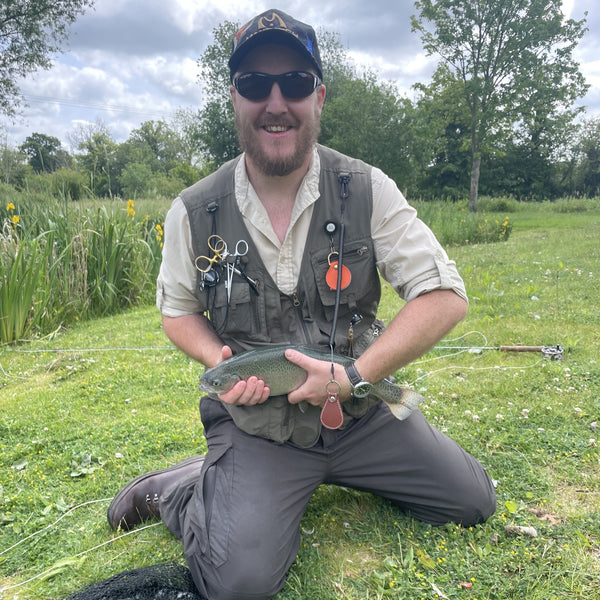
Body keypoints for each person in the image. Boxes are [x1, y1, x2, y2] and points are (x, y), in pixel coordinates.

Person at [107, 8, 496, 600]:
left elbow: (444, 297)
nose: (275, 102)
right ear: (234, 98)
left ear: (318, 96)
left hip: (360, 414)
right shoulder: (193, 209)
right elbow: (177, 311)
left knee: (473, 503)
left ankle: (249, 482)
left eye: (293, 83)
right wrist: (220, 361)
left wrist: (355, 376)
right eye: (255, 84)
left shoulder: (368, 189)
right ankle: (183, 489)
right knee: (238, 583)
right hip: (260, 428)